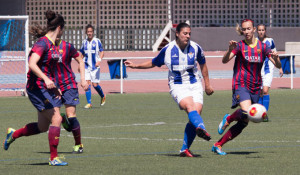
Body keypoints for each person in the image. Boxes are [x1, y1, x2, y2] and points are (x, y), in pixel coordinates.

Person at [125, 22, 214, 157]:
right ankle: (201, 128)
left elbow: (203, 65)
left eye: (189, 33)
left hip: (195, 83)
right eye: (185, 33)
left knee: (196, 112)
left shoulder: (196, 48)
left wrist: (207, 85)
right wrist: (135, 66)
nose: (188, 36)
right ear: (177, 34)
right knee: (190, 107)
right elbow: (153, 62)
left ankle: (185, 149)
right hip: (177, 85)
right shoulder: (168, 49)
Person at [3, 10, 68, 166]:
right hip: (36, 88)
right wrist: (46, 80)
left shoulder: (52, 46)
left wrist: (54, 87)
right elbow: (32, 64)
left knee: (42, 127)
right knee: (57, 118)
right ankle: (53, 158)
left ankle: (13, 134)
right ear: (59, 27)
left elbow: (47, 69)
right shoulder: (42, 43)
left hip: (44, 88)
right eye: (63, 29)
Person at [212, 19, 282, 155]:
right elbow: (224, 60)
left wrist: (277, 58)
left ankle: (218, 144)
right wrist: (229, 50)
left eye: (249, 29)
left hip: (256, 86)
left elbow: (278, 65)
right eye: (244, 29)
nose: (246, 32)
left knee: (244, 122)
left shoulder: (263, 47)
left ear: (254, 29)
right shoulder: (239, 46)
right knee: (246, 111)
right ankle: (229, 118)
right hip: (241, 83)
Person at [54, 37, 89, 154]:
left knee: (71, 115)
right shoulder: (45, 46)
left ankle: (78, 145)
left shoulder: (67, 46)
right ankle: (64, 121)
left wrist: (83, 80)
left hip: (69, 84)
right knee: (54, 117)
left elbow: (81, 60)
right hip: (53, 86)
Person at [257, 24, 283, 121]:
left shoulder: (270, 41)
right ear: (257, 31)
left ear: (265, 31)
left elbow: (275, 54)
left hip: (268, 70)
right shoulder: (255, 42)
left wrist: (280, 68)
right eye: (259, 30)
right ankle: (259, 114)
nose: (261, 32)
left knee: (265, 91)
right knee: (259, 93)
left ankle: (264, 114)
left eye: (263, 30)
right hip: (258, 71)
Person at [80, 24, 106, 109]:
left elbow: (102, 52)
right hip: (87, 66)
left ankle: (102, 96)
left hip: (95, 67)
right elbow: (82, 54)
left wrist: (99, 61)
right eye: (88, 32)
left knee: (95, 85)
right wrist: (80, 64)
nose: (89, 33)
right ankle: (89, 103)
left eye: (91, 31)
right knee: (87, 84)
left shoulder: (97, 41)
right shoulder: (84, 42)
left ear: (93, 32)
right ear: (86, 33)